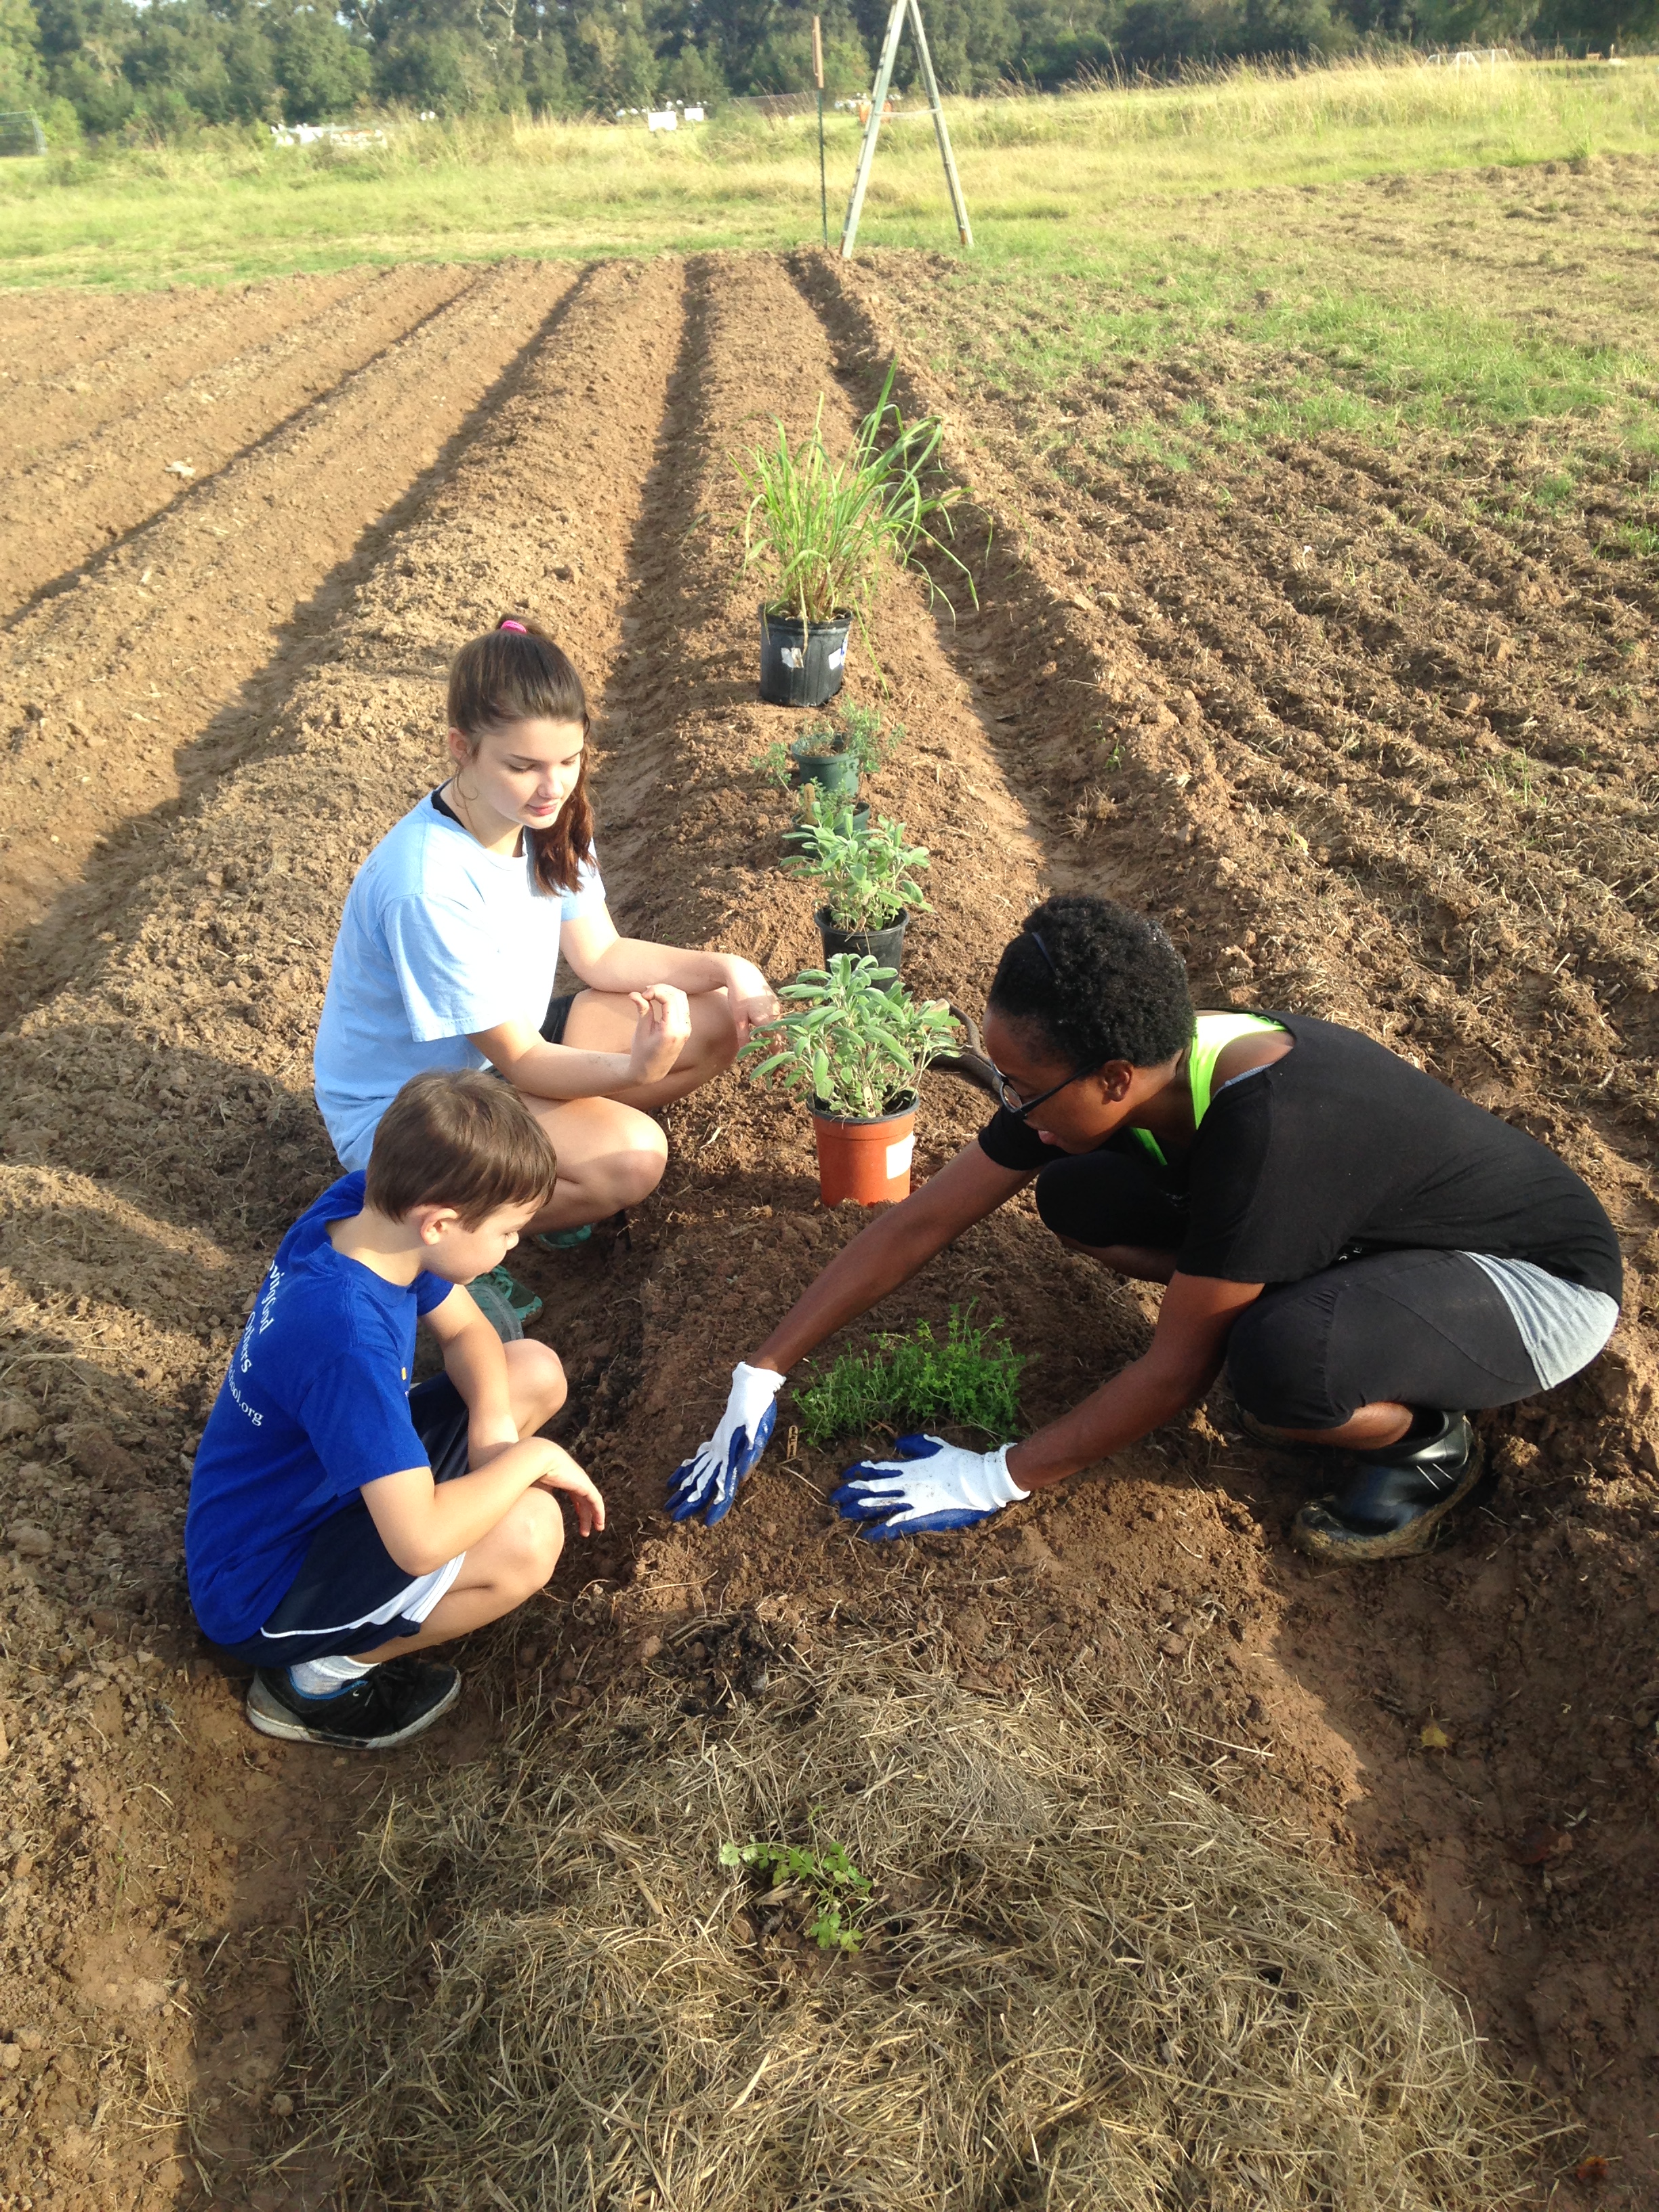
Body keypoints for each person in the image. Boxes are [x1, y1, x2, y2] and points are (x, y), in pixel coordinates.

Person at [666, 895, 1622, 1564]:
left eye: (1023, 1089)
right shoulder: (1118, 1059)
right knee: (1076, 1194)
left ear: (1114, 1078)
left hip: (1530, 1285)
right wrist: (764, 1372)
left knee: (1277, 1363)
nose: (1010, 1106)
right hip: (1372, 1238)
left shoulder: (1271, 1126)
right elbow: (925, 1220)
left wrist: (996, 1477)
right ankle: (1329, 1312)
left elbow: (1175, 1373)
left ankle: (1424, 1447)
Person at [313, 616, 777, 1322]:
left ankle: (527, 1192)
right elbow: (524, 1062)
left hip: (494, 1063)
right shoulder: (428, 885)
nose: (551, 785)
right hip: (410, 1117)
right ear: (462, 749)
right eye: (523, 765)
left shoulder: (545, 821)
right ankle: (443, 1252)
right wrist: (634, 1070)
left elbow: (603, 956)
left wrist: (729, 967)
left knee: (713, 1020)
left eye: (569, 760)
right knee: (633, 1157)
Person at [185, 1069, 606, 1750]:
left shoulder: (363, 1211)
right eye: (507, 1231)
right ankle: (314, 1684)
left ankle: (418, 1543)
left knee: (529, 1370)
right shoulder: (346, 1342)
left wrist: (492, 1438)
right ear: (438, 1224)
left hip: (310, 1495)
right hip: (261, 1585)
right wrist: (531, 1458)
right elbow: (419, 1543)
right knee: (528, 1536)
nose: (514, 1245)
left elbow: (469, 1333)